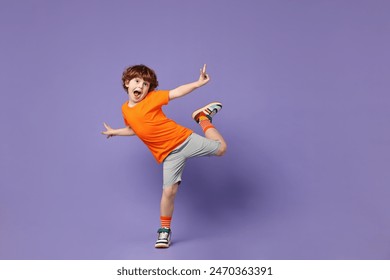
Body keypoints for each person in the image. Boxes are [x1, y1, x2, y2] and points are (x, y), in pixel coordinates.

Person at [102, 64, 227, 248]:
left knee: (221, 149)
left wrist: (198, 83)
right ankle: (164, 231)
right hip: (169, 155)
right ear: (128, 83)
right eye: (137, 82)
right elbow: (135, 128)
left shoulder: (153, 98)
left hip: (184, 139)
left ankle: (203, 118)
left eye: (146, 84)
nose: (141, 86)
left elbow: (176, 92)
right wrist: (116, 131)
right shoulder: (125, 110)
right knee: (169, 192)